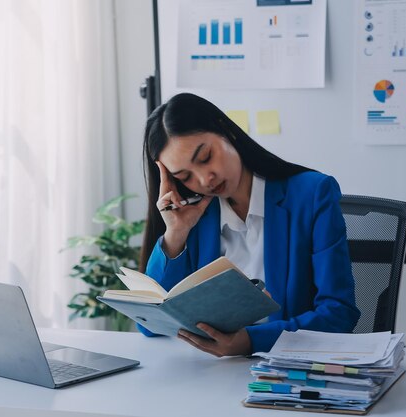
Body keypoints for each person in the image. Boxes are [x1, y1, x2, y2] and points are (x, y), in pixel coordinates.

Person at [139, 92, 360, 357]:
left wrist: (251, 341)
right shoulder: (193, 216)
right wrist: (176, 233)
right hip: (211, 374)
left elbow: (339, 314)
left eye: (206, 157)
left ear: (226, 131)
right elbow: (150, 325)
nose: (204, 179)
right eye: (185, 176)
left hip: (286, 369)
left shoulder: (311, 194)